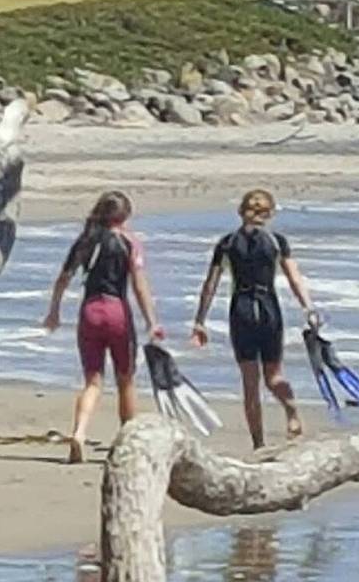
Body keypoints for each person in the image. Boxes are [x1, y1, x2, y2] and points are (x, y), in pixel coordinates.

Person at [42, 191, 166, 464]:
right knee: (125, 379)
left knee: (93, 381)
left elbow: (63, 278)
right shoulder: (129, 242)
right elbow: (139, 285)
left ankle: (79, 433)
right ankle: (126, 442)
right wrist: (152, 322)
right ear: (125, 216)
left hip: (90, 311)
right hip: (116, 311)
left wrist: (54, 311)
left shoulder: (86, 240)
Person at [191, 189, 321, 448]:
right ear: (270, 213)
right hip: (269, 309)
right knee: (274, 377)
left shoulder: (227, 243)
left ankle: (258, 444)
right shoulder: (276, 242)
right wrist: (309, 308)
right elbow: (294, 279)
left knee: (250, 384)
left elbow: (210, 285)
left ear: (241, 212)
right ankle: (291, 411)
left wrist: (200, 321)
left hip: (242, 311)